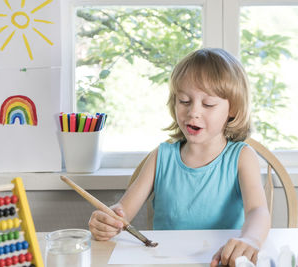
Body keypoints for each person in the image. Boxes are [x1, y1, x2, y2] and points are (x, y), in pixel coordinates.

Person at [88, 48, 271, 267]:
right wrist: (108, 222)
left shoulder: (242, 157)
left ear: (233, 109)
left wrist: (249, 239)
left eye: (208, 104)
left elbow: (258, 210)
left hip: (222, 261)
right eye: (184, 101)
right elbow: (123, 211)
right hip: (166, 261)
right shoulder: (160, 156)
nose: (193, 112)